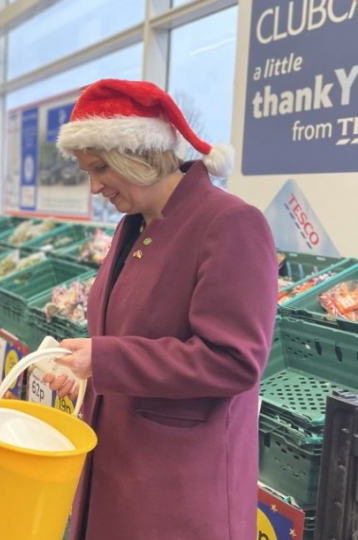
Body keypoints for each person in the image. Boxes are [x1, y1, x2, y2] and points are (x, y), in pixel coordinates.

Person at [47, 80, 277, 540]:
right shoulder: (132, 227)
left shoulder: (230, 224)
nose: (94, 187)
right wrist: (86, 370)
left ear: (141, 154)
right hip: (117, 476)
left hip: (177, 493)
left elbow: (234, 360)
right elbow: (128, 337)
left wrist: (106, 360)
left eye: (99, 168)